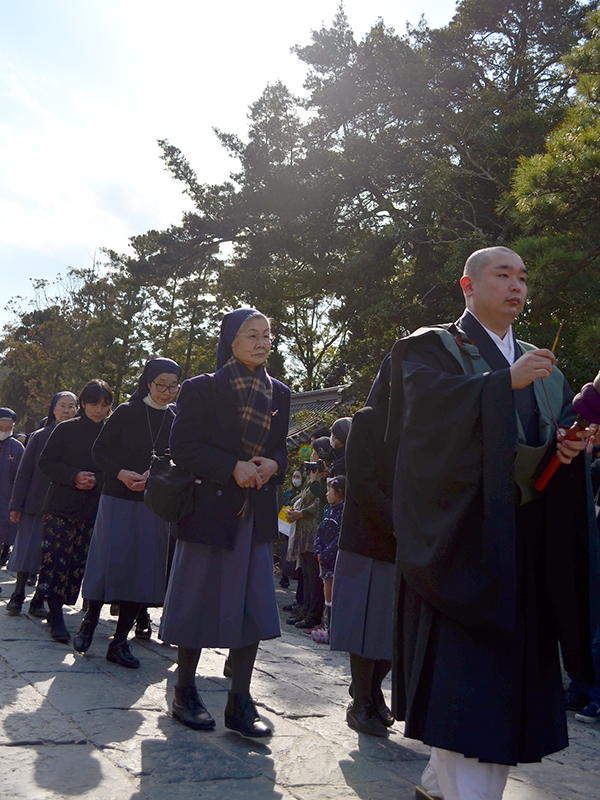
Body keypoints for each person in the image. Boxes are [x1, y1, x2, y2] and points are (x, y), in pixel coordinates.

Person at [387, 246, 598, 800]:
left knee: (501, 692)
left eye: (523, 277)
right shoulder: (431, 348)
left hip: (522, 546)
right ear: (468, 285)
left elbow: (540, 455)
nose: (516, 286)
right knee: (471, 692)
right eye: (503, 274)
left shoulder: (541, 365)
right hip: (465, 547)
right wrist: (499, 385)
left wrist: (566, 451)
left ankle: (440, 785)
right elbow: (418, 425)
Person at [159, 308, 290, 737]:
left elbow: (281, 453)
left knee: (251, 604)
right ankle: (185, 691)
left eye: (267, 334)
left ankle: (240, 699)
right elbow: (182, 447)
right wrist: (231, 466)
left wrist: (273, 462)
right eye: (251, 334)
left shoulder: (280, 394)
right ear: (231, 341)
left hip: (254, 513)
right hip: (209, 508)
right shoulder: (202, 388)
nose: (261, 341)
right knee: (195, 598)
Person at [76, 358, 181, 668]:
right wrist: (121, 473)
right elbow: (100, 451)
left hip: (154, 502)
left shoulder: (175, 418)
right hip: (118, 496)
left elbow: (179, 458)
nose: (166, 392)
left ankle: (120, 641)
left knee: (144, 569)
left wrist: (159, 473)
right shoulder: (125, 411)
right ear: (147, 382)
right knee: (108, 561)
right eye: (160, 385)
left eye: (172, 387)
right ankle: (89, 623)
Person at [330, 358, 397, 737]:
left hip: (406, 536)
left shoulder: (421, 422)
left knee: (390, 628)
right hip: (367, 536)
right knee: (365, 625)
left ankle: (372, 690)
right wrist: (396, 522)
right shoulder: (367, 420)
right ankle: (361, 703)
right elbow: (363, 482)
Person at [37, 380, 112, 643]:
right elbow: (45, 463)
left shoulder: (112, 432)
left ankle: (62, 605)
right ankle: (54, 612)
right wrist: (73, 476)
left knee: (78, 564)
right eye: (93, 403)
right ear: (83, 403)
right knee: (56, 560)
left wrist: (97, 481)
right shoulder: (66, 429)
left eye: (104, 404)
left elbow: (116, 469)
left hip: (92, 510)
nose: (99, 410)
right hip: (60, 507)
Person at [7, 392, 78, 616]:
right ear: (53, 409)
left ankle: (39, 599)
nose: (67, 411)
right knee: (27, 551)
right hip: (36, 504)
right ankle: (18, 594)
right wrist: (16, 504)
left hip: (64, 507)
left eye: (71, 406)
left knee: (50, 558)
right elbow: (24, 472)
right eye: (62, 406)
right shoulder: (38, 436)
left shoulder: (81, 438)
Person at [312, 475, 345, 643]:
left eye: (329, 490)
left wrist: (326, 554)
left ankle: (333, 629)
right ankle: (327, 625)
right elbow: (319, 532)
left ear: (339, 492)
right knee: (326, 589)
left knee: (333, 591)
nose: (326, 494)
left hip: (333, 559)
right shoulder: (328, 510)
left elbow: (339, 538)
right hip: (323, 558)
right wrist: (317, 549)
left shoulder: (343, 513)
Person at [0, 408, 24, 571]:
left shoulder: (17, 449)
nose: (4, 432)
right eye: (1, 428)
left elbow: (20, 478)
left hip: (5, 503)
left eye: (8, 429)